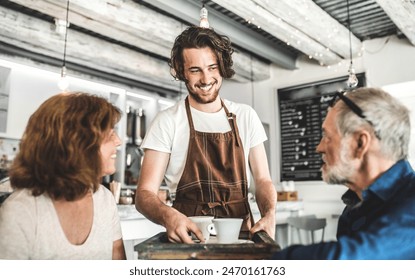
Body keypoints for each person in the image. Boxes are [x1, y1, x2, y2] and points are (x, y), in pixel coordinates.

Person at [135, 26, 276, 243]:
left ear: (222, 67)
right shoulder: (167, 121)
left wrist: (269, 214)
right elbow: (144, 194)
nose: (206, 78)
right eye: (195, 70)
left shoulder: (246, 116)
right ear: (181, 71)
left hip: (241, 237)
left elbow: (263, 180)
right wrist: (167, 216)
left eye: (212, 67)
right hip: (188, 239)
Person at [272, 87, 415, 259]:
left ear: (360, 144)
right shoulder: (354, 204)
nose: (319, 148)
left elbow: (353, 260)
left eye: (327, 136)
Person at [0, 92, 126, 260]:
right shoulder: (21, 212)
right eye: (109, 133)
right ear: (78, 142)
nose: (118, 141)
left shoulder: (104, 199)